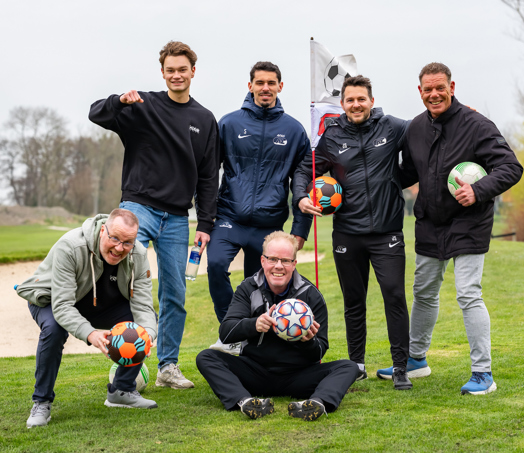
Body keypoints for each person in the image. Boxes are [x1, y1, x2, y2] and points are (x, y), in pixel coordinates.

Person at [377, 62, 523, 395]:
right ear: (420, 92)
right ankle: (416, 359)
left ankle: (483, 374)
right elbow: (408, 172)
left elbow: (511, 167)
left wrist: (479, 190)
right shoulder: (415, 128)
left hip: (470, 222)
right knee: (424, 292)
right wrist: (369, 179)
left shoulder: (477, 125)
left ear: (451, 87)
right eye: (428, 89)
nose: (434, 94)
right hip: (430, 222)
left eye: (439, 87)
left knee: (468, 293)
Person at [89, 41, 220, 390]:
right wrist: (119, 102)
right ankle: (126, 356)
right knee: (129, 281)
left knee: (175, 293)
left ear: (193, 71)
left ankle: (168, 367)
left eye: (182, 69)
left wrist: (205, 222)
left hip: (177, 218)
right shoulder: (142, 105)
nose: (176, 75)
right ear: (162, 73)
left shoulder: (204, 119)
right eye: (170, 70)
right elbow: (96, 114)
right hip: (138, 207)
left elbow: (209, 177)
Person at [293, 76, 412, 390]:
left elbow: (424, 129)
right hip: (347, 234)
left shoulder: (392, 127)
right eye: (350, 100)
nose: (356, 105)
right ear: (342, 103)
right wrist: (301, 197)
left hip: (387, 233)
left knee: (394, 297)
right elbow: (305, 169)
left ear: (371, 101)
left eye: (361, 99)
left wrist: (457, 114)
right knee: (354, 301)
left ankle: (401, 367)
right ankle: (357, 364)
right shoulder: (331, 136)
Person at [16, 209, 158, 428]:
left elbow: (143, 306)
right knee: (54, 330)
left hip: (99, 303)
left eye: (127, 242)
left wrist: (147, 335)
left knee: (140, 329)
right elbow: (62, 306)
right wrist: (90, 334)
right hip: (51, 299)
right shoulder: (71, 246)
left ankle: (121, 391)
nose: (119, 248)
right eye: (114, 238)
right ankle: (41, 402)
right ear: (103, 231)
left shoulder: (137, 253)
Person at [206, 61, 312, 354]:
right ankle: (231, 332)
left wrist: (300, 229)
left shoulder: (294, 130)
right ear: (250, 85)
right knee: (216, 265)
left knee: (257, 287)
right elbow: (208, 172)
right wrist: (205, 218)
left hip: (269, 224)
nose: (265, 88)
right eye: (260, 82)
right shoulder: (229, 123)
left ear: (280, 86)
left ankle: (252, 346)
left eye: (271, 83)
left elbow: (303, 182)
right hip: (229, 217)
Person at [196, 231, 358, 421]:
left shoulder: (311, 294)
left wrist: (308, 341)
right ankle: (245, 401)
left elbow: (320, 351)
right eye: (272, 259)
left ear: (294, 264)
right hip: (254, 372)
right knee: (206, 357)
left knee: (348, 367)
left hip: (298, 375)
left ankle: (316, 403)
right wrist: (255, 324)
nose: (278, 266)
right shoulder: (248, 288)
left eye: (285, 260)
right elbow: (226, 332)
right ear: (263, 261)